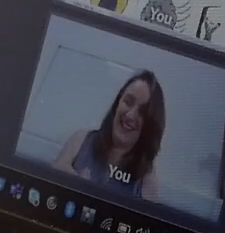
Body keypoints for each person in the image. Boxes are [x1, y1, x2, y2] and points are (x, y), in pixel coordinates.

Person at [53, 71, 168, 201]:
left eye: (142, 112)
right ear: (117, 103)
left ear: (150, 125)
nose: (130, 115)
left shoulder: (147, 179)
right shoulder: (80, 140)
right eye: (128, 102)